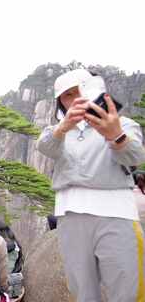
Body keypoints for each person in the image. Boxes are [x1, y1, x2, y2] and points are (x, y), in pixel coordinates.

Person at [36, 69, 145, 302]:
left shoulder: (124, 123)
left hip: (117, 213)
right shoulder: (58, 131)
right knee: (82, 291)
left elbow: (135, 157)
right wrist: (62, 128)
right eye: (67, 95)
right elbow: (45, 146)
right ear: (60, 103)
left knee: (128, 288)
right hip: (71, 213)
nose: (75, 98)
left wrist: (116, 136)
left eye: (79, 91)